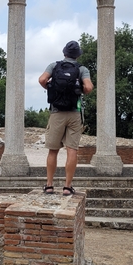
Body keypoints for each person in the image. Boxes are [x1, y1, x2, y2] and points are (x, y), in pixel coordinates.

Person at [38, 40, 94, 196]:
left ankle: (49, 185)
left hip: (56, 112)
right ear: (77, 55)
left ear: (64, 53)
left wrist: (50, 89)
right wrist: (79, 90)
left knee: (53, 150)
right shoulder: (82, 69)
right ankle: (67, 187)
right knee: (72, 150)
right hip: (74, 112)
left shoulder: (54, 66)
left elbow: (42, 79)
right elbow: (88, 87)